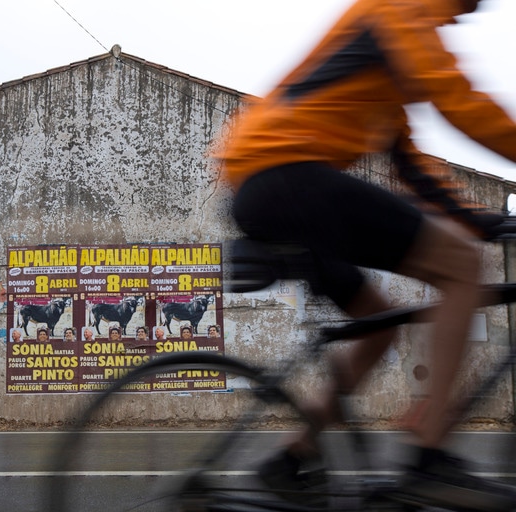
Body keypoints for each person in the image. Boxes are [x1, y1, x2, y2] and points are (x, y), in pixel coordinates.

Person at [215, 0, 516, 509]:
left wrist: (484, 220)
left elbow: (412, 167)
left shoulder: (396, 55)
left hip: (268, 187)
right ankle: (430, 455)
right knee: (463, 268)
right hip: (288, 174)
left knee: (378, 325)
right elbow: (459, 101)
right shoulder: (404, 10)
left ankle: (291, 459)